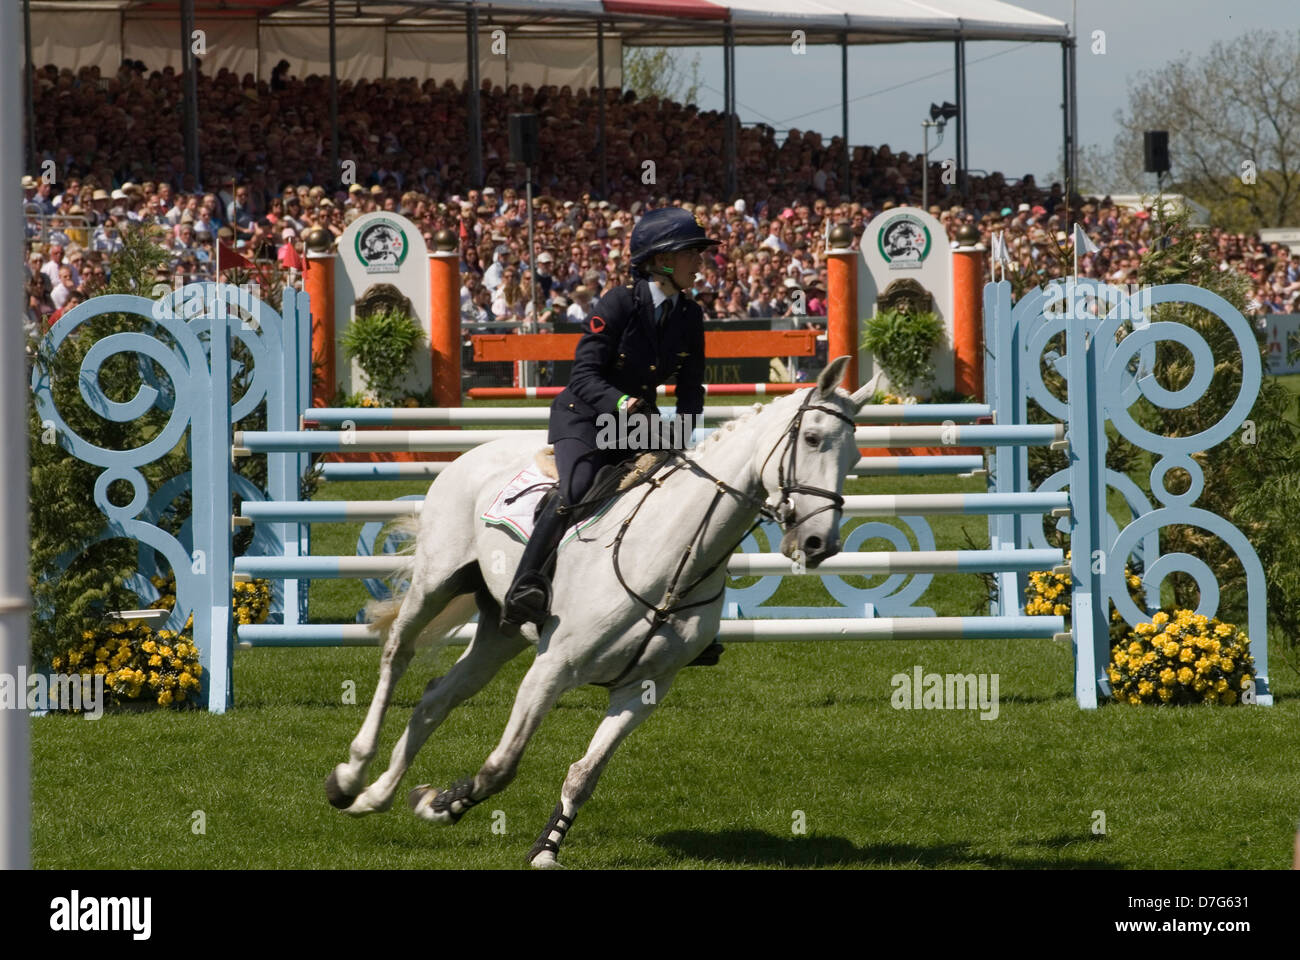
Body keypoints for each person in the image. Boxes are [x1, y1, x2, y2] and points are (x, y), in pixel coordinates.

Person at [500, 206, 715, 633]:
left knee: (684, 491)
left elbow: (691, 388)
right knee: (576, 490)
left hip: (636, 422)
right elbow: (582, 375)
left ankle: (678, 610)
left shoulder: (690, 315)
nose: (700, 261)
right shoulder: (618, 302)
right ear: (660, 261)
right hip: (585, 416)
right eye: (692, 252)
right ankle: (526, 587)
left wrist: (686, 432)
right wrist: (622, 404)